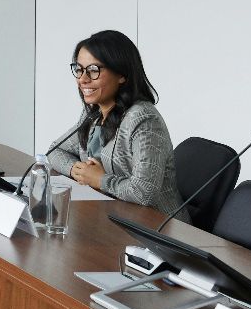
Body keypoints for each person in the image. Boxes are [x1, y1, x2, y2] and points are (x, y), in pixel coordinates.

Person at [45, 29, 181, 212]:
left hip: (155, 228)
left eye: (93, 70)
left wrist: (100, 180)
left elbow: (145, 192)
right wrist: (78, 171)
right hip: (111, 215)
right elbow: (55, 151)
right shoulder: (93, 114)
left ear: (122, 74)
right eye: (79, 69)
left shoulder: (144, 121)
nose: (83, 79)